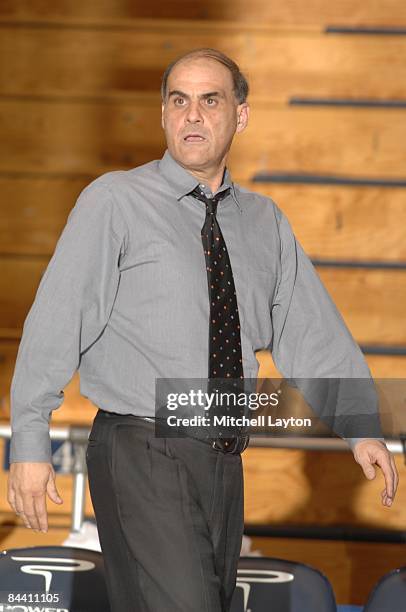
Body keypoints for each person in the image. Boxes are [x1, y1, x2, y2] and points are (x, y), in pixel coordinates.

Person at [7, 48, 399, 612]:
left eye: (209, 101)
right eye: (179, 101)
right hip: (142, 448)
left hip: (224, 457)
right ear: (164, 116)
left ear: (240, 115)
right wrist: (30, 442)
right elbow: (54, 323)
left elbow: (310, 330)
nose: (192, 115)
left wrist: (361, 427)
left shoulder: (264, 222)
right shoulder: (114, 202)